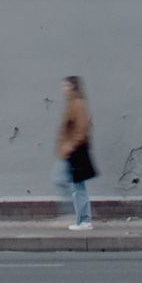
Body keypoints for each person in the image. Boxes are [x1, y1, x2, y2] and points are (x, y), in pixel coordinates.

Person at [55, 75, 97, 230]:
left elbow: (81, 128)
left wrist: (70, 146)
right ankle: (82, 218)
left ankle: (84, 220)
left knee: (76, 186)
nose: (63, 89)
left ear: (73, 87)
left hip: (76, 151)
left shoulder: (77, 104)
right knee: (75, 185)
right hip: (73, 151)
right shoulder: (73, 103)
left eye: (65, 86)